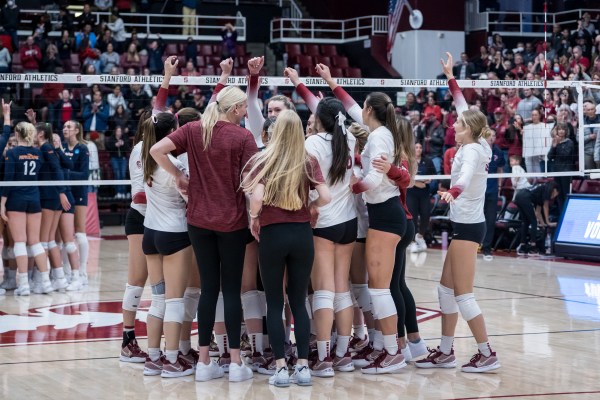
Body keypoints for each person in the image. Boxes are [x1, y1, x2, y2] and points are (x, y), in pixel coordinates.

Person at [150, 85, 257, 383]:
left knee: (209, 289)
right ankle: (236, 363)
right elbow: (251, 182)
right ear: (235, 109)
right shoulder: (243, 137)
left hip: (198, 221)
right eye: (245, 108)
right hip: (232, 222)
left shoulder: (193, 129)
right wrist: (256, 216)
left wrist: (178, 176)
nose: (246, 112)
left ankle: (204, 361)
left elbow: (156, 150)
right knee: (231, 290)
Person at [415, 52, 500, 373]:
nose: (455, 123)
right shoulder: (475, 143)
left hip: (468, 227)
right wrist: (451, 76)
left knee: (463, 294)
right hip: (462, 223)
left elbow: (463, 180)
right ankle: (447, 351)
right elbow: (463, 106)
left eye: (459, 125)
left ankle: (487, 352)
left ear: (470, 131)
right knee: (444, 289)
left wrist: (454, 191)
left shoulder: (473, 152)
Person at [242, 109, 331, 387]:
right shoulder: (308, 160)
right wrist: (312, 207)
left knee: (274, 302)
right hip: (302, 234)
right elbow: (326, 196)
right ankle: (303, 366)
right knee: (299, 301)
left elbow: (256, 199)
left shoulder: (263, 160)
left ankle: (280, 368)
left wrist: (255, 217)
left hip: (272, 235)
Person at [303, 98, 357, 376]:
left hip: (323, 220)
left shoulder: (311, 144)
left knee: (323, 290)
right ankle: (343, 355)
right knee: (341, 289)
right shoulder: (348, 138)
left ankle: (323, 359)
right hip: (348, 221)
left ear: (319, 119)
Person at [371, 117, 428, 361]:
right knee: (399, 285)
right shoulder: (403, 155)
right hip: (404, 221)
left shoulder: (400, 158)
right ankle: (415, 343)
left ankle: (402, 343)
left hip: (398, 222)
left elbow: (404, 178)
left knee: (392, 286)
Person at [1, 119, 53, 296]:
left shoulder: (13, 153)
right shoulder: (38, 153)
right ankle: (45, 282)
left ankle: (23, 285)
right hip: (34, 199)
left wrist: (2, 203)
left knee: (20, 242)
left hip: (16, 200)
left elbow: (8, 180)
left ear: (17, 133)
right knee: (36, 242)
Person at [35, 122, 71, 291]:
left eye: (34, 130)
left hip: (50, 195)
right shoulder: (47, 147)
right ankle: (59, 278)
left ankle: (44, 281)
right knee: (50, 240)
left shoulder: (46, 148)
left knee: (43, 241)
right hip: (54, 195)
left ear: (40, 134)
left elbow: (56, 169)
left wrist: (62, 191)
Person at [62, 120, 90, 288]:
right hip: (65, 192)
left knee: (80, 233)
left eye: (69, 127)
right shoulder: (62, 149)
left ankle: (83, 272)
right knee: (66, 236)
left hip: (79, 192)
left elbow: (84, 175)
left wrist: (64, 173)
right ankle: (66, 272)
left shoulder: (83, 149)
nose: (65, 129)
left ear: (77, 130)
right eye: (64, 127)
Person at [514, 181, 559, 256]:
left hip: (518, 195)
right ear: (555, 190)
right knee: (533, 222)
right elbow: (545, 207)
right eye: (556, 194)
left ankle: (522, 247)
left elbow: (538, 212)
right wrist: (548, 222)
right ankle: (533, 248)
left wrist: (543, 224)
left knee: (525, 222)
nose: (554, 197)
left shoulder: (540, 189)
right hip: (525, 197)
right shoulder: (546, 190)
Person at [407, 142, 435, 252]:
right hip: (411, 192)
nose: (418, 149)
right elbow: (407, 178)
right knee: (412, 217)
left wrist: (427, 181)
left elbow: (433, 176)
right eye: (416, 147)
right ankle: (412, 241)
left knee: (426, 215)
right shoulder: (409, 161)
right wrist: (417, 183)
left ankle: (420, 237)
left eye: (420, 147)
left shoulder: (428, 161)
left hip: (424, 193)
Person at [482, 130, 505, 261]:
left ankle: (487, 249)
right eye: (490, 135)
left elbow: (500, 170)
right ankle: (474, 246)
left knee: (490, 220)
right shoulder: (479, 151)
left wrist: (500, 186)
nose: (492, 137)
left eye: (494, 135)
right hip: (479, 191)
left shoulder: (499, 152)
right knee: (476, 219)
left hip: (492, 190)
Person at [547, 122, 575, 207]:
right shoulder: (555, 141)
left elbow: (564, 155)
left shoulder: (569, 142)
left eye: (563, 129)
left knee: (566, 193)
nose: (561, 131)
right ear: (557, 131)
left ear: (566, 131)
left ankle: (567, 212)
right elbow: (549, 156)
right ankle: (561, 214)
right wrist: (554, 146)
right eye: (559, 129)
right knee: (558, 194)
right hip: (557, 171)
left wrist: (558, 145)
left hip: (566, 171)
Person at [105, 126, 130, 199]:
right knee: (117, 174)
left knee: (123, 175)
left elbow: (128, 148)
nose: (119, 133)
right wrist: (115, 145)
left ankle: (123, 192)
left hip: (123, 158)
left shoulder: (124, 138)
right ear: (115, 132)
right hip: (114, 158)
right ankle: (118, 192)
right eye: (117, 131)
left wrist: (123, 144)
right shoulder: (111, 139)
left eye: (120, 131)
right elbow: (108, 148)